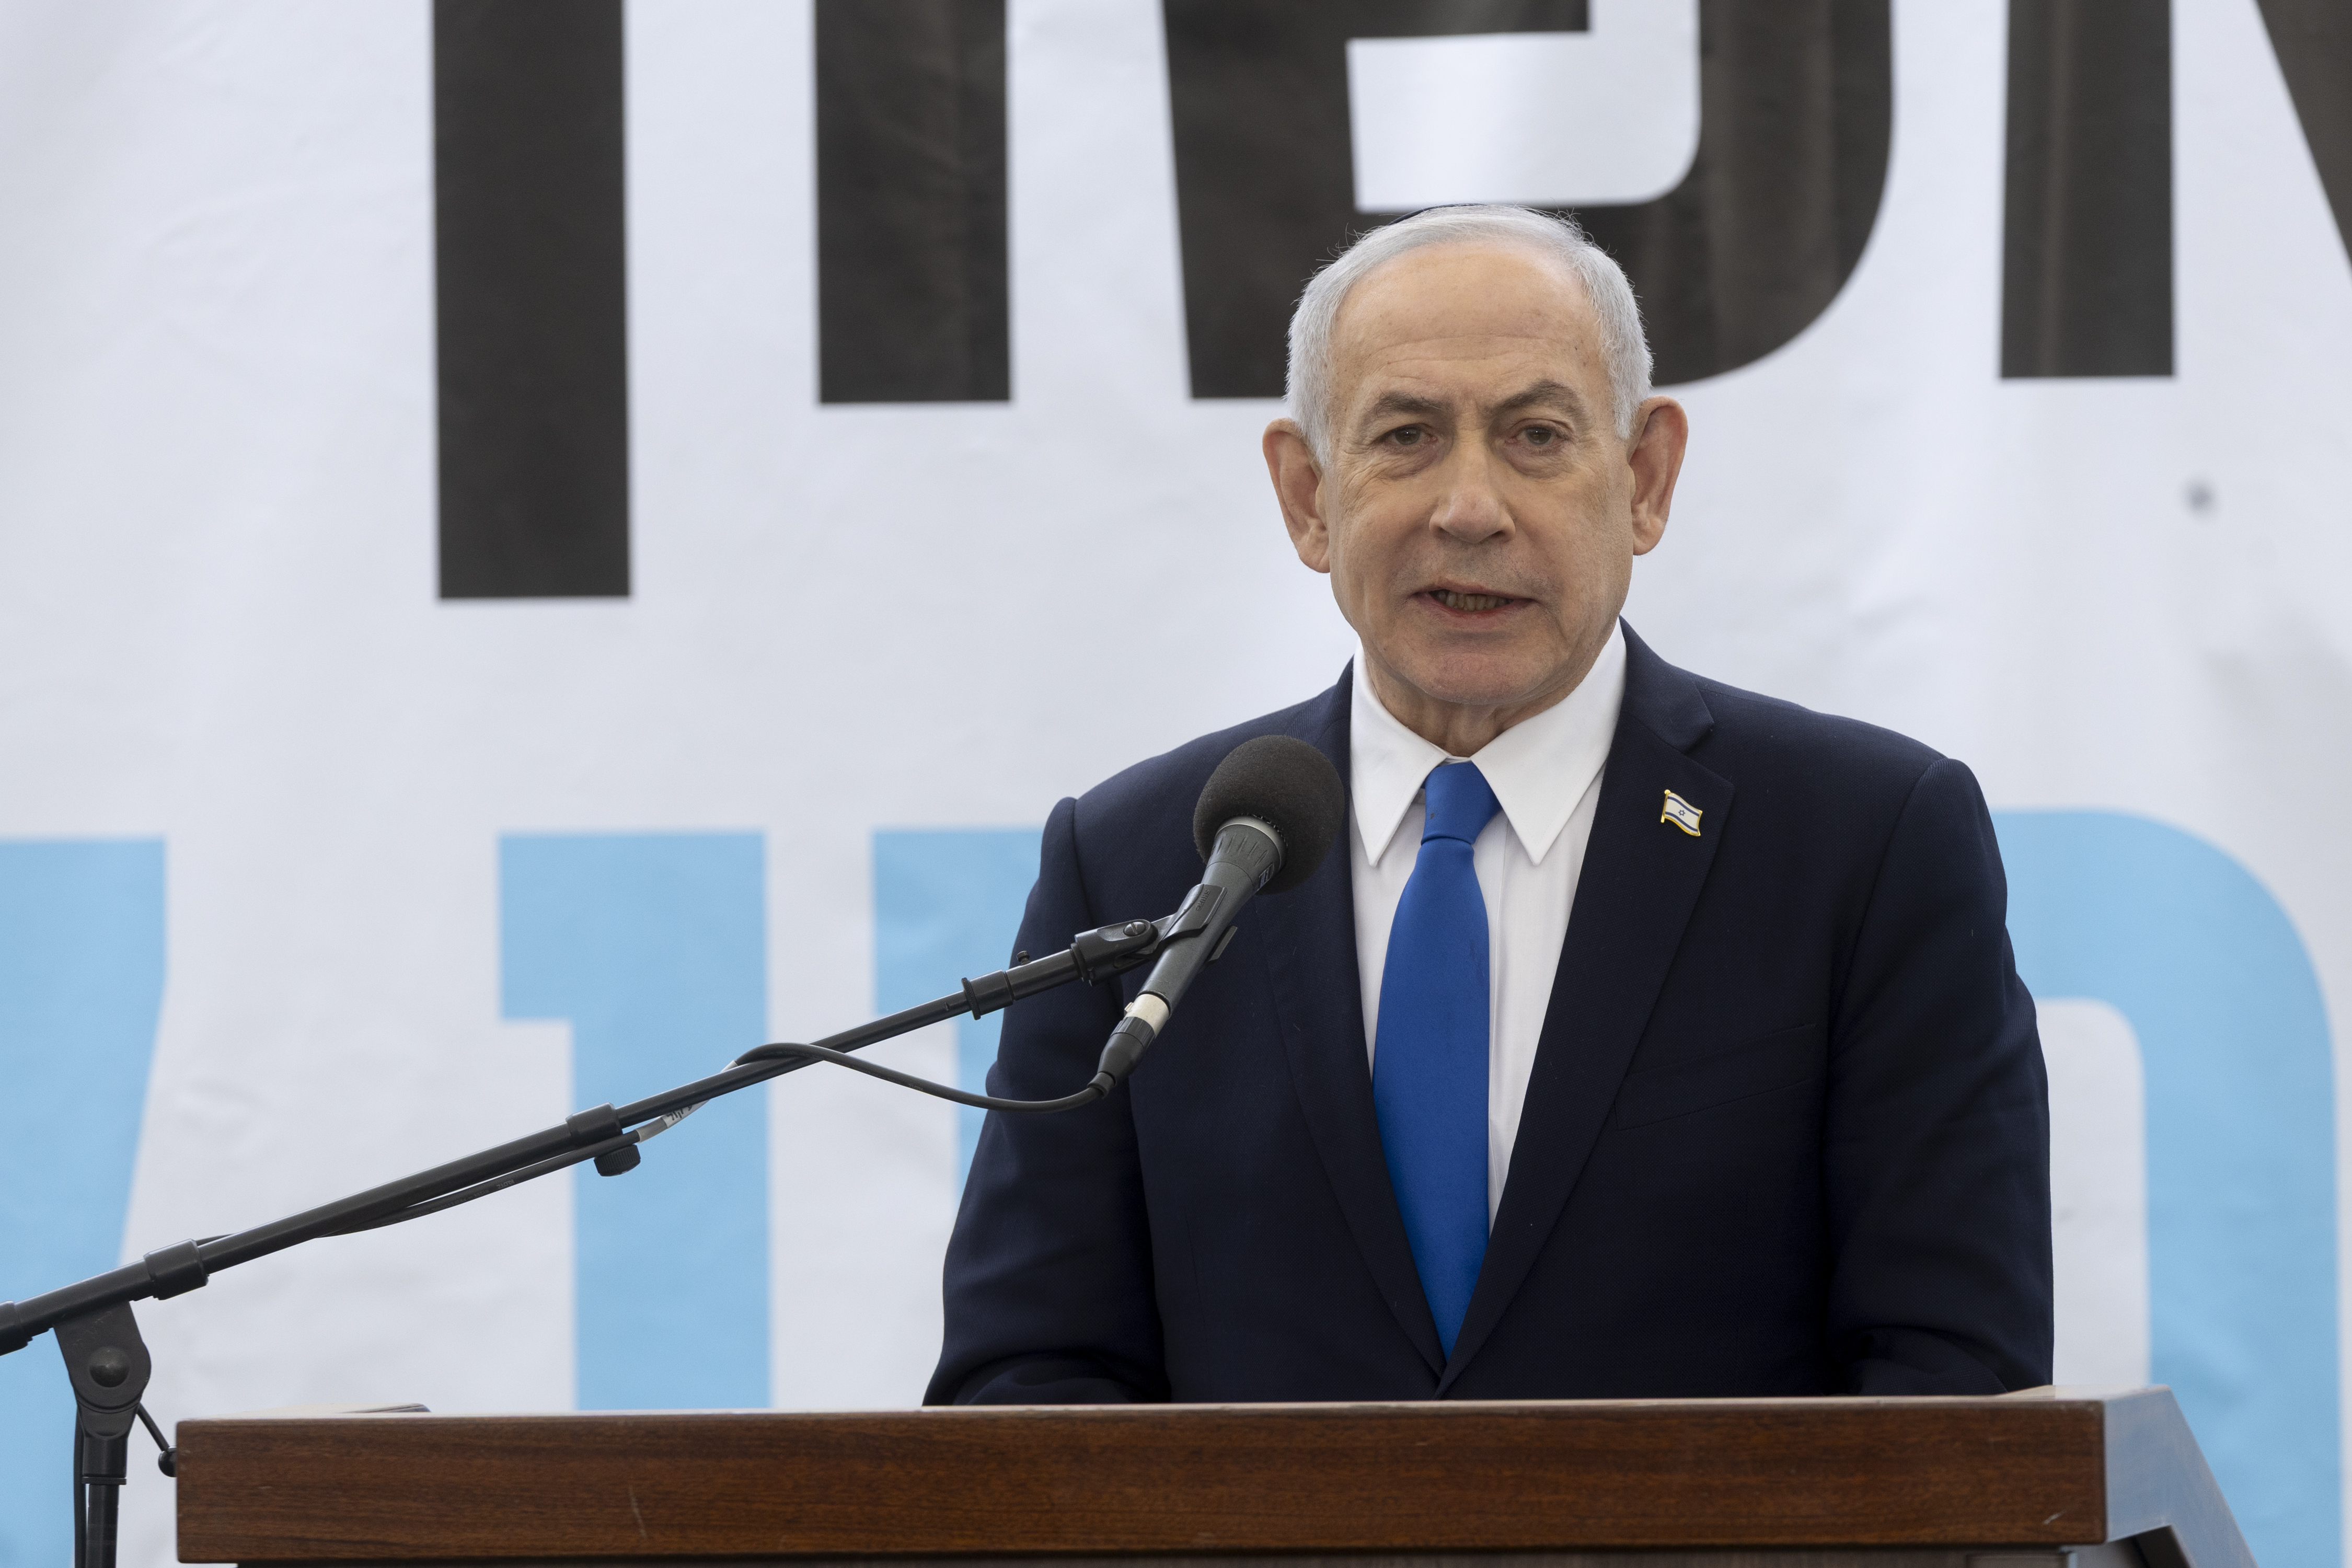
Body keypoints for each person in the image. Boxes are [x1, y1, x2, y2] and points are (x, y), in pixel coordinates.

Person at [926, 205, 2050, 1403]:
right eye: (1406, 436)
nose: (1470, 507)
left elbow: (1950, 1376)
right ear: (1308, 497)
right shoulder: (1135, 858)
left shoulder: (1864, 845)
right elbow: (1028, 1375)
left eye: (1536, 436)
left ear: (1645, 479)